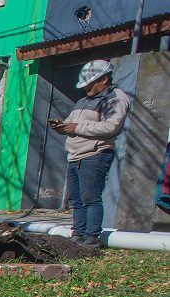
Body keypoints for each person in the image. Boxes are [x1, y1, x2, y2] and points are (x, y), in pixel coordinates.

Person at [49, 59, 129, 247]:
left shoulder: (115, 98)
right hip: (75, 155)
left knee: (90, 198)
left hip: (95, 154)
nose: (86, 89)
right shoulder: (83, 100)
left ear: (104, 80)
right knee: (76, 200)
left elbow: (112, 126)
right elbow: (72, 123)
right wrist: (63, 125)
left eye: (89, 84)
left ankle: (91, 239)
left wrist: (75, 127)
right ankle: (78, 236)